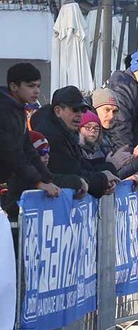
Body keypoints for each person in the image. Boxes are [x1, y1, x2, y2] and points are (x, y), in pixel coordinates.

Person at [33, 86, 120, 197]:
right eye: (75, 109)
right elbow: (70, 170)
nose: (80, 114)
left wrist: (106, 172)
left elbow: (82, 165)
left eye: (83, 110)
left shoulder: (67, 132)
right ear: (58, 111)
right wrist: (104, 177)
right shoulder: (51, 136)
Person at [0, 63, 60, 216]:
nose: (37, 91)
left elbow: (28, 149)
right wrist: (38, 182)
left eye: (38, 86)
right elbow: (11, 153)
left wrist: (48, 179)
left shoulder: (18, 110)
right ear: (14, 86)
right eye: (30, 86)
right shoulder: (4, 111)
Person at [93, 87, 138, 179]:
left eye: (115, 111)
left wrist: (134, 159)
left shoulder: (107, 136)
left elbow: (114, 175)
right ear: (95, 109)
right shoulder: (89, 138)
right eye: (107, 110)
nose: (111, 116)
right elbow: (100, 177)